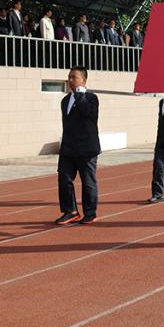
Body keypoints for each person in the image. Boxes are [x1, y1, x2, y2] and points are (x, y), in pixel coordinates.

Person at [55, 66, 100, 225]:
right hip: (68, 148)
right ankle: (70, 211)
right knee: (64, 179)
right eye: (69, 77)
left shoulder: (91, 98)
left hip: (86, 148)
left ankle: (90, 212)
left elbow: (88, 113)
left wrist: (80, 94)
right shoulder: (65, 100)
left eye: (74, 77)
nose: (70, 80)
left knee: (88, 181)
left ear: (84, 80)